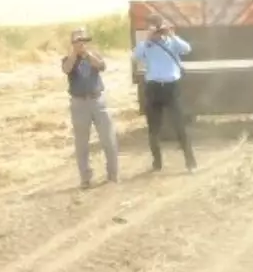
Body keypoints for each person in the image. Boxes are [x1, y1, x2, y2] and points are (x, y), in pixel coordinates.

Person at [133, 15, 197, 172]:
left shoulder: (172, 43)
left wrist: (171, 35)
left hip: (171, 88)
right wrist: (148, 39)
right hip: (153, 88)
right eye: (153, 27)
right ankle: (157, 163)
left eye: (158, 27)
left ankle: (190, 162)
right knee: (153, 129)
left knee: (180, 126)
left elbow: (187, 49)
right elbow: (135, 56)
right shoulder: (146, 45)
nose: (157, 31)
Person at [61, 27, 119, 188]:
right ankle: (85, 178)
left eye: (83, 41)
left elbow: (101, 66)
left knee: (108, 138)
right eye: (77, 41)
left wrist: (87, 54)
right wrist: (75, 53)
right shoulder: (68, 58)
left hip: (97, 101)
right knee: (82, 143)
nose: (81, 44)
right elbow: (66, 69)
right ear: (72, 43)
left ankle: (112, 174)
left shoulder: (93, 56)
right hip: (79, 103)